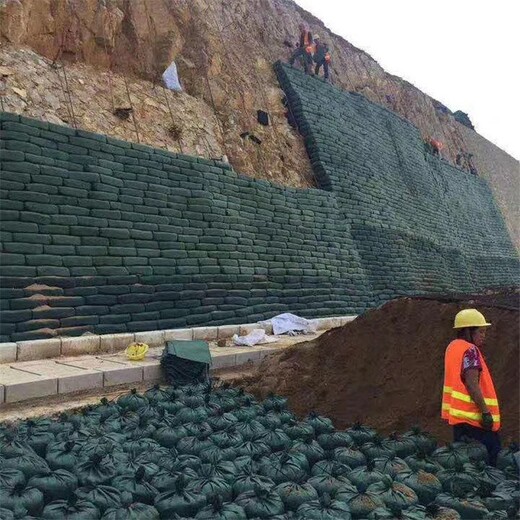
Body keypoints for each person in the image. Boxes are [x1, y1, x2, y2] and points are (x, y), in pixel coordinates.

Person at [441, 309, 501, 465]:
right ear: (468, 331)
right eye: (480, 331)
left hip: (459, 418)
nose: (484, 336)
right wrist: (486, 413)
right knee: (489, 460)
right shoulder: (470, 350)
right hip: (476, 420)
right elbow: (472, 384)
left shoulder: (452, 347)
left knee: (466, 464)